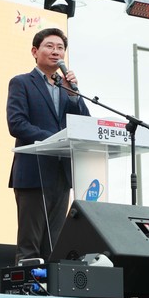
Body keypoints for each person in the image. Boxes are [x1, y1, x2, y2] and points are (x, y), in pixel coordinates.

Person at [7, 27, 90, 264]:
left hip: (61, 174)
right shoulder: (22, 82)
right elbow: (17, 123)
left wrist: (74, 96)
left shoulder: (66, 87)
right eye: (50, 46)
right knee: (30, 244)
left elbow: (84, 124)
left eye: (60, 48)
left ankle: (52, 285)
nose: (56, 52)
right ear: (35, 51)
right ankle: (28, 284)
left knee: (54, 246)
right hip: (33, 172)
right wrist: (54, 138)